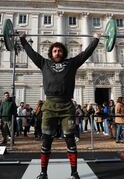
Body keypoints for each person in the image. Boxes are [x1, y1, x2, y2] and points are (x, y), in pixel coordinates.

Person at [19, 31, 100, 179]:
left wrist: (95, 40)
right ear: (51, 53)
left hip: (67, 107)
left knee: (70, 140)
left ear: (63, 52)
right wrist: (23, 40)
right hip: (49, 106)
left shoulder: (71, 63)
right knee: (46, 140)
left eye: (60, 50)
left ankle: (74, 173)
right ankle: (43, 173)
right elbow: (31, 53)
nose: (57, 52)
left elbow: (86, 53)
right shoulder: (44, 63)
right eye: (55, 50)